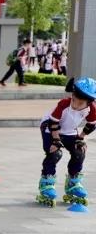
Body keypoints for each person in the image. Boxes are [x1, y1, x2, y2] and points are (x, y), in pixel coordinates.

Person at [37, 76, 96, 207]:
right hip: (50, 128)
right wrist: (56, 140)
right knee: (55, 153)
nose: (75, 105)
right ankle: (46, 184)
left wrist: (80, 138)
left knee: (79, 152)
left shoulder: (91, 108)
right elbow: (53, 123)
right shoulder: (64, 103)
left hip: (69, 130)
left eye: (81, 104)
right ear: (72, 94)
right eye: (74, 100)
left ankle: (72, 183)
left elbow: (91, 125)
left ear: (89, 102)